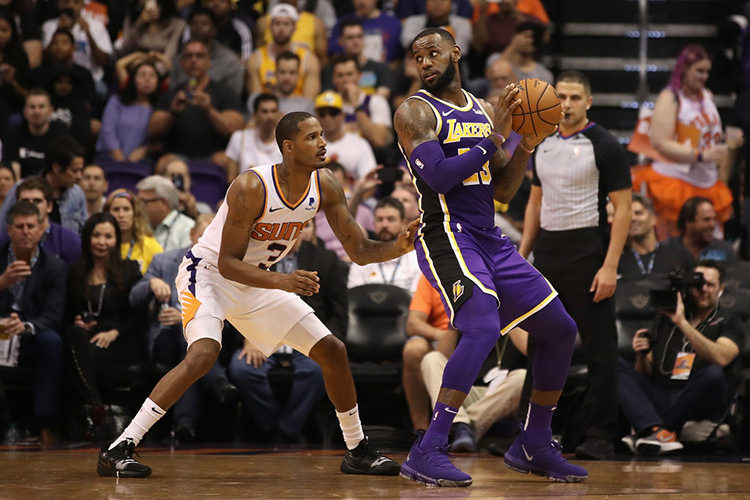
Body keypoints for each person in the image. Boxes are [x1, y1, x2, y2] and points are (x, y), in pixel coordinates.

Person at [97, 111, 418, 478]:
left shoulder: (326, 184)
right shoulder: (252, 187)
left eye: (323, 135)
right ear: (289, 147)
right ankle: (120, 446)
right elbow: (229, 263)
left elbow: (359, 250)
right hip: (208, 274)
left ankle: (357, 450)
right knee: (204, 354)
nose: (323, 143)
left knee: (333, 351)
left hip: (256, 280)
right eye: (312, 137)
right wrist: (284, 281)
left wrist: (399, 246)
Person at [394, 28, 586, 486]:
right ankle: (429, 447)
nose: (425, 62)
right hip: (446, 235)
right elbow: (440, 178)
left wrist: (525, 142)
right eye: (417, 56)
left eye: (433, 52)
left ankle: (534, 442)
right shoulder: (415, 111)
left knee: (561, 329)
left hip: (489, 235)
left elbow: (501, 188)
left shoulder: (482, 110)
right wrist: (499, 135)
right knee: (480, 325)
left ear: (456, 52)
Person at [518, 70, 632, 461]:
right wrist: (524, 253)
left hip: (588, 251)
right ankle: (532, 432)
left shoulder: (606, 145)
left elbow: (624, 209)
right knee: (540, 345)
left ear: (588, 102)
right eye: (561, 96)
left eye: (574, 97)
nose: (566, 104)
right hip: (547, 251)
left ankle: (599, 433)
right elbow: (535, 201)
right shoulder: (542, 141)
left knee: (600, 350)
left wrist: (610, 265)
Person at [228, 219, 346, 443]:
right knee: (242, 369)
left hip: (307, 337)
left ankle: (287, 430)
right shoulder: (255, 260)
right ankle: (270, 426)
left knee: (317, 370)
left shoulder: (326, 260)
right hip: (262, 335)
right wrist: (248, 338)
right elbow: (236, 304)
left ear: (299, 231)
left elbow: (339, 314)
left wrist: (323, 343)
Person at [129, 213, 237, 441]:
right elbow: (134, 298)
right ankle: (218, 383)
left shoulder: (224, 268)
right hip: (164, 338)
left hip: (204, 341)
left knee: (190, 353)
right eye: (204, 236)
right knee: (186, 339)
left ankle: (184, 425)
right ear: (191, 234)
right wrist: (151, 283)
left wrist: (187, 319)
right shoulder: (164, 260)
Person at [618, 260, 744, 455]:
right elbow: (645, 372)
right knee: (615, 365)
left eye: (710, 284)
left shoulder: (729, 321)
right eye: (697, 284)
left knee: (713, 374)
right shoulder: (665, 318)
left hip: (698, 401)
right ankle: (657, 431)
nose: (703, 289)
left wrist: (683, 323)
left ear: (721, 289)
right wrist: (641, 356)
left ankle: (649, 429)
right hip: (663, 394)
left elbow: (722, 358)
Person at [633, 44, 738, 238]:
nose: (704, 76)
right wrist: (701, 155)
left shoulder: (707, 96)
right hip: (676, 181)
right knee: (675, 245)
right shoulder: (670, 98)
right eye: (699, 71)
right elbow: (660, 143)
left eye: (707, 71)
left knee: (709, 244)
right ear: (685, 70)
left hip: (707, 181)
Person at [67, 212, 144, 437]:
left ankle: (93, 408)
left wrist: (114, 332)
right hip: (87, 338)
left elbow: (138, 317)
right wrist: (77, 320)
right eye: (96, 235)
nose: (102, 242)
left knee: (85, 353)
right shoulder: (76, 272)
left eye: (108, 236)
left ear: (116, 240)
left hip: (120, 340)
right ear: (87, 238)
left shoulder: (130, 269)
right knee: (74, 334)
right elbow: (67, 314)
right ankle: (95, 404)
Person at [0, 200, 66, 444]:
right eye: (20, 226)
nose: (25, 231)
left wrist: (25, 327)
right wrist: (2, 282)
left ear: (40, 229)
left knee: (52, 342)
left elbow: (53, 314)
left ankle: (45, 422)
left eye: (31, 226)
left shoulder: (55, 267)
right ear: (9, 230)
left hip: (30, 336)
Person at [148, 39, 243, 164]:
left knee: (227, 161)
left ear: (209, 62)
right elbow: (152, 131)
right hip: (178, 156)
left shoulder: (224, 92)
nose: (194, 60)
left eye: (199, 56)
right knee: (164, 163)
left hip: (214, 155)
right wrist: (172, 113)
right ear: (182, 62)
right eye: (188, 56)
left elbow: (235, 130)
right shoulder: (172, 93)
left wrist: (210, 110)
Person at [0, 134, 87, 234]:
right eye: (75, 171)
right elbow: (3, 229)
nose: (79, 176)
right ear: (56, 168)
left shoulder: (77, 194)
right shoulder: (21, 189)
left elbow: (83, 232)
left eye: (81, 170)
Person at [0, 176, 81, 264]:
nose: (31, 206)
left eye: (37, 201)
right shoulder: (3, 241)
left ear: (49, 206)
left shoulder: (70, 242)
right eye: (25, 201)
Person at [247, 4, 320, 100]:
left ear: (294, 28)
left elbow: (309, 102)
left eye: (286, 24)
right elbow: (254, 100)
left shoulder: (309, 60)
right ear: (270, 27)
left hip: (298, 110)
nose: (281, 29)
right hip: (268, 111)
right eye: (277, 23)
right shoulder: (256, 58)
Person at [347, 197, 421, 292]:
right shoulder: (362, 256)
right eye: (379, 219)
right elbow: (354, 296)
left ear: (403, 223)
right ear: (373, 223)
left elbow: (418, 298)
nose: (384, 224)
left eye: (391, 219)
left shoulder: (416, 257)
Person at [95, 60, 162, 163]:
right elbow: (107, 130)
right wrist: (118, 156)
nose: (147, 79)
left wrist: (145, 150)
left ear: (158, 81)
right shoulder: (117, 101)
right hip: (109, 156)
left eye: (152, 76)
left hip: (142, 161)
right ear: (133, 79)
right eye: (142, 75)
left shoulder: (160, 108)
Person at [170, 7, 242, 100]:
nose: (198, 27)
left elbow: (233, 98)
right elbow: (172, 92)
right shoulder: (180, 58)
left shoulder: (229, 61)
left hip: (218, 110)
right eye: (194, 24)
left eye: (204, 24)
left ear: (214, 30)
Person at [618, 193, 694, 278]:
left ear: (653, 219)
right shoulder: (616, 262)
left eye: (638, 213)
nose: (633, 219)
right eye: (628, 216)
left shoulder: (681, 256)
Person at [41, 0, 112, 85]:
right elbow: (46, 60)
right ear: (60, 4)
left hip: (91, 79)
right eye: (66, 2)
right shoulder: (49, 26)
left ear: (83, 5)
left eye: (76, 2)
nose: (71, 6)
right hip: (56, 79)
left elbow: (104, 61)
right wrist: (57, 31)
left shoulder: (96, 26)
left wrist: (89, 35)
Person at [2, 88, 69, 178]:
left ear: (50, 111)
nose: (36, 112)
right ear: (25, 111)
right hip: (22, 185)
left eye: (41, 107)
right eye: (32, 107)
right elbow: (12, 166)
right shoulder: (14, 134)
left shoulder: (61, 134)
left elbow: (64, 166)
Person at [321, 19, 394, 100]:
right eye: (350, 38)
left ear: (364, 39)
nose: (355, 42)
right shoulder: (329, 70)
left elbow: (382, 97)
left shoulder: (381, 68)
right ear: (340, 41)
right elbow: (328, 98)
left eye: (359, 36)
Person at [330, 55, 392, 149]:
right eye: (340, 75)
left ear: (359, 76)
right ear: (333, 79)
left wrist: (356, 105)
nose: (345, 80)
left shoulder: (376, 101)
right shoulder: (328, 105)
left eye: (350, 74)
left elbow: (379, 140)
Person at [315, 90, 376, 183]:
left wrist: (354, 197)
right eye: (322, 114)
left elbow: (370, 182)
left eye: (333, 113)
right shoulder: (310, 145)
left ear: (343, 115)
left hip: (354, 195)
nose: (327, 118)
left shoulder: (359, 144)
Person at [220, 93, 283, 180]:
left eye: (273, 111)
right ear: (254, 115)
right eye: (265, 111)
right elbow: (231, 179)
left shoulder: (286, 141)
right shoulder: (239, 138)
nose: (270, 117)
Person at [663, 197, 738, 264]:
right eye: (706, 220)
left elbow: (733, 278)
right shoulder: (667, 249)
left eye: (714, 219)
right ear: (688, 222)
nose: (712, 225)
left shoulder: (725, 250)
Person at [105, 189, 163, 274]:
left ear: (135, 213)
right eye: (116, 209)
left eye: (126, 209)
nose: (121, 215)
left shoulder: (150, 246)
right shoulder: (102, 245)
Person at [118, 0, 185, 63]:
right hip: (134, 66)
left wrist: (152, 71)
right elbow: (125, 50)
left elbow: (170, 55)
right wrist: (139, 23)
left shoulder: (177, 24)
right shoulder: (131, 20)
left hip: (163, 67)